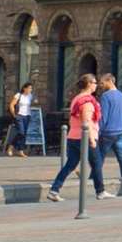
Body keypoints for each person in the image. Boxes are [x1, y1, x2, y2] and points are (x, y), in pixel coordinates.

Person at [47, 73, 106, 201]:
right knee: (97, 163)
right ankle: (100, 191)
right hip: (84, 137)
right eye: (95, 83)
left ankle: (54, 190)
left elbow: (73, 118)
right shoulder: (87, 101)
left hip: (73, 136)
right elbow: (87, 121)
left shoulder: (76, 98)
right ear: (89, 84)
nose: (96, 85)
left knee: (70, 164)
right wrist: (91, 139)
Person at [96, 73, 122, 181]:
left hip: (108, 131)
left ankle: (93, 177)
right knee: (121, 157)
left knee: (100, 156)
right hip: (120, 130)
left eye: (102, 82)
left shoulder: (105, 96)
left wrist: (98, 131)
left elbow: (103, 116)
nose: (101, 85)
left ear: (109, 81)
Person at [7, 81, 35, 157]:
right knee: (21, 132)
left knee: (24, 134)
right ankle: (10, 147)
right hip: (19, 115)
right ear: (24, 88)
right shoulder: (18, 95)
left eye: (31, 88)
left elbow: (34, 102)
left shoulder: (30, 96)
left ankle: (20, 151)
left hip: (27, 116)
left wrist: (36, 101)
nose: (30, 90)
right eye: (29, 88)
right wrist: (14, 114)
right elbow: (12, 105)